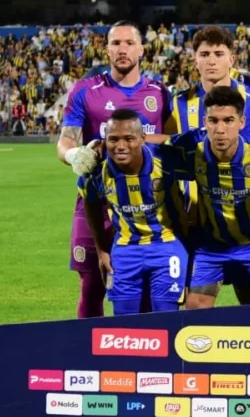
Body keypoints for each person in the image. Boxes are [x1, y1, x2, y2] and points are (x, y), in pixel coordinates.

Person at [57, 20, 174, 319]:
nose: (122, 49)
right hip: (95, 202)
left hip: (145, 207)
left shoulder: (160, 93)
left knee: (149, 288)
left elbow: (172, 142)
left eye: (129, 43)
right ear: (107, 49)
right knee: (91, 286)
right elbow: (66, 140)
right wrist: (74, 155)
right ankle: (89, 356)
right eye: (116, 43)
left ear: (142, 49)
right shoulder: (85, 90)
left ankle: (147, 355)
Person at [169, 25, 250, 306]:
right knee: (192, 305)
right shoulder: (179, 104)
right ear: (194, 59)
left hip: (248, 219)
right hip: (198, 221)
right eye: (204, 54)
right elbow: (167, 152)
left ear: (231, 59)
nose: (211, 60)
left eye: (219, 53)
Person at [159, 86, 250, 308]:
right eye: (213, 121)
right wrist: (102, 145)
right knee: (194, 309)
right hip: (211, 244)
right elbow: (148, 144)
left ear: (242, 122)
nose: (220, 129)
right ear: (205, 121)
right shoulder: (190, 145)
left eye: (228, 120)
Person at [79, 110, 188, 316]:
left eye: (129, 139)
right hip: (124, 250)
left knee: (165, 317)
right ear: (105, 141)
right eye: (113, 139)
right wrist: (102, 250)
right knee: (123, 323)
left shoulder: (165, 161)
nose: (120, 146)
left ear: (142, 139)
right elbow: (90, 203)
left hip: (167, 247)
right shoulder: (96, 172)